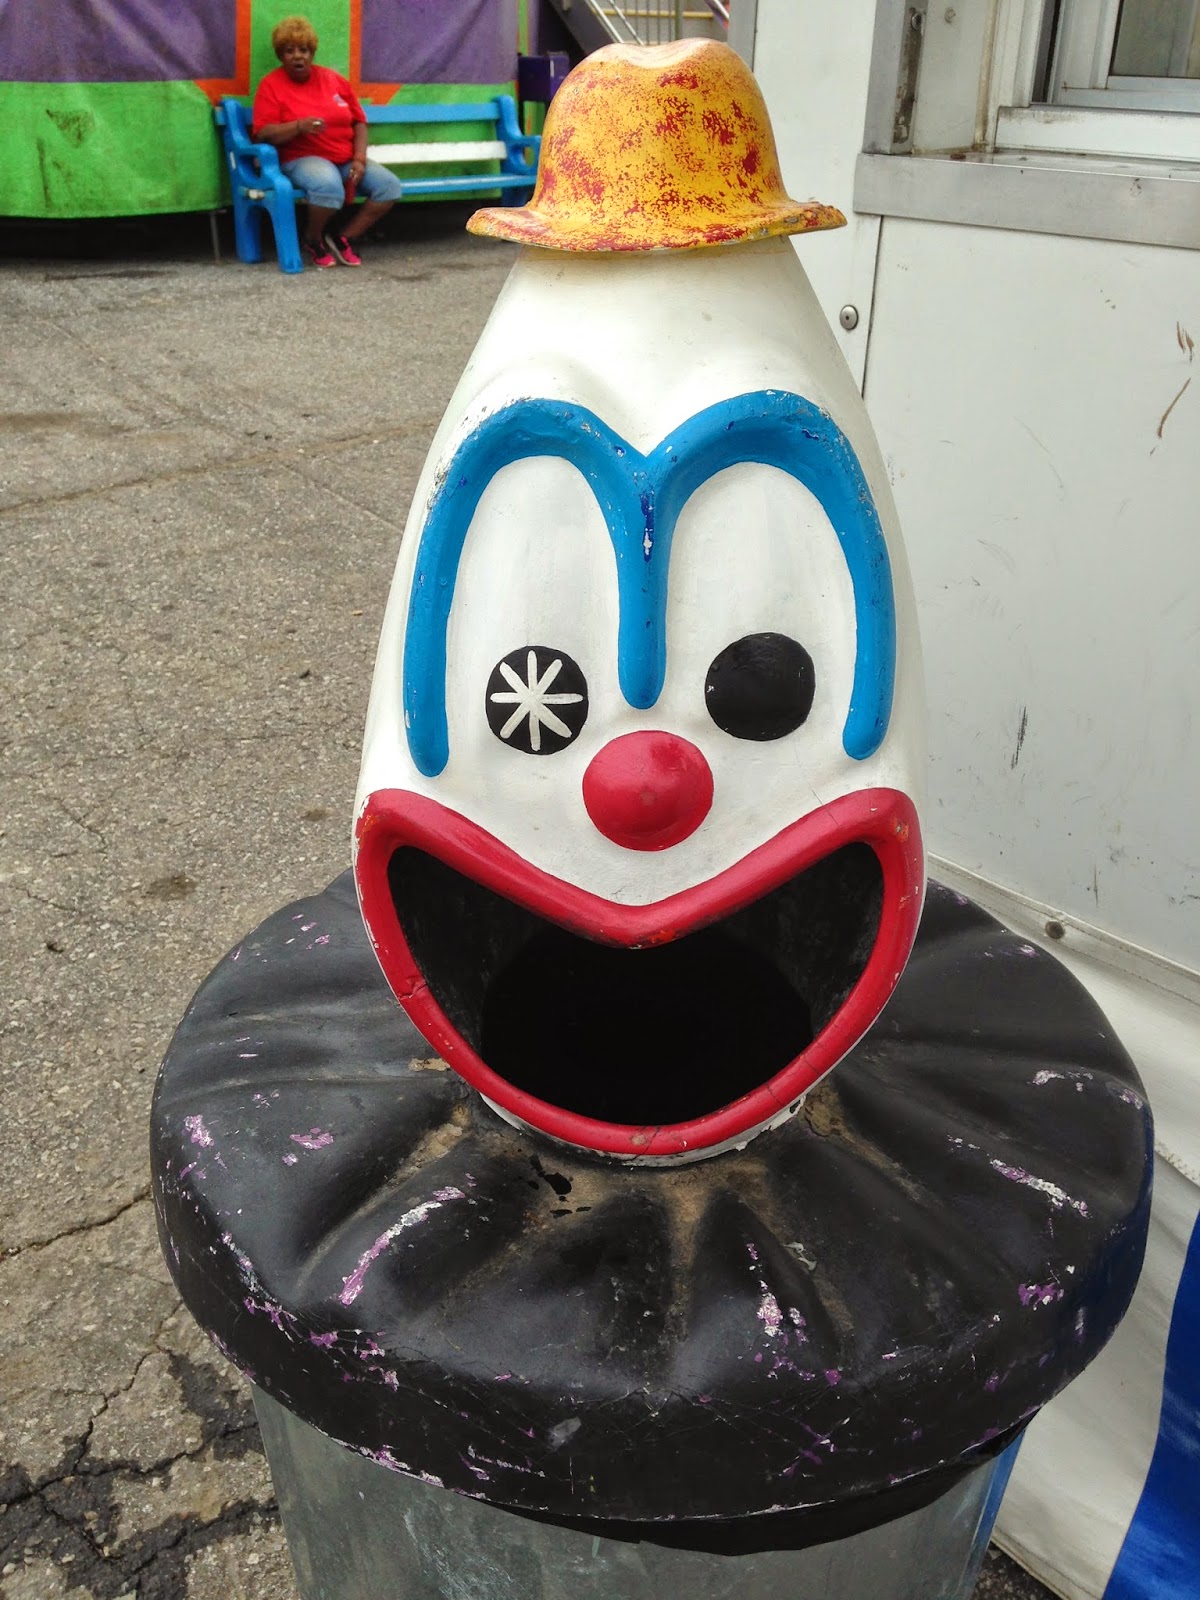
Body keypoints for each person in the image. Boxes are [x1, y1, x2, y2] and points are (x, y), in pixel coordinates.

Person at [252, 16, 403, 269]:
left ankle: (344, 237)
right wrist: (298, 127)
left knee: (388, 187)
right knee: (328, 185)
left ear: (311, 53)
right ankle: (313, 238)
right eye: (289, 51)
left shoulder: (333, 80)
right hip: (301, 158)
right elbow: (263, 133)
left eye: (303, 50)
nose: (297, 56)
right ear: (280, 55)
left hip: (344, 157)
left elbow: (359, 122)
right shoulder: (271, 85)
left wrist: (359, 159)